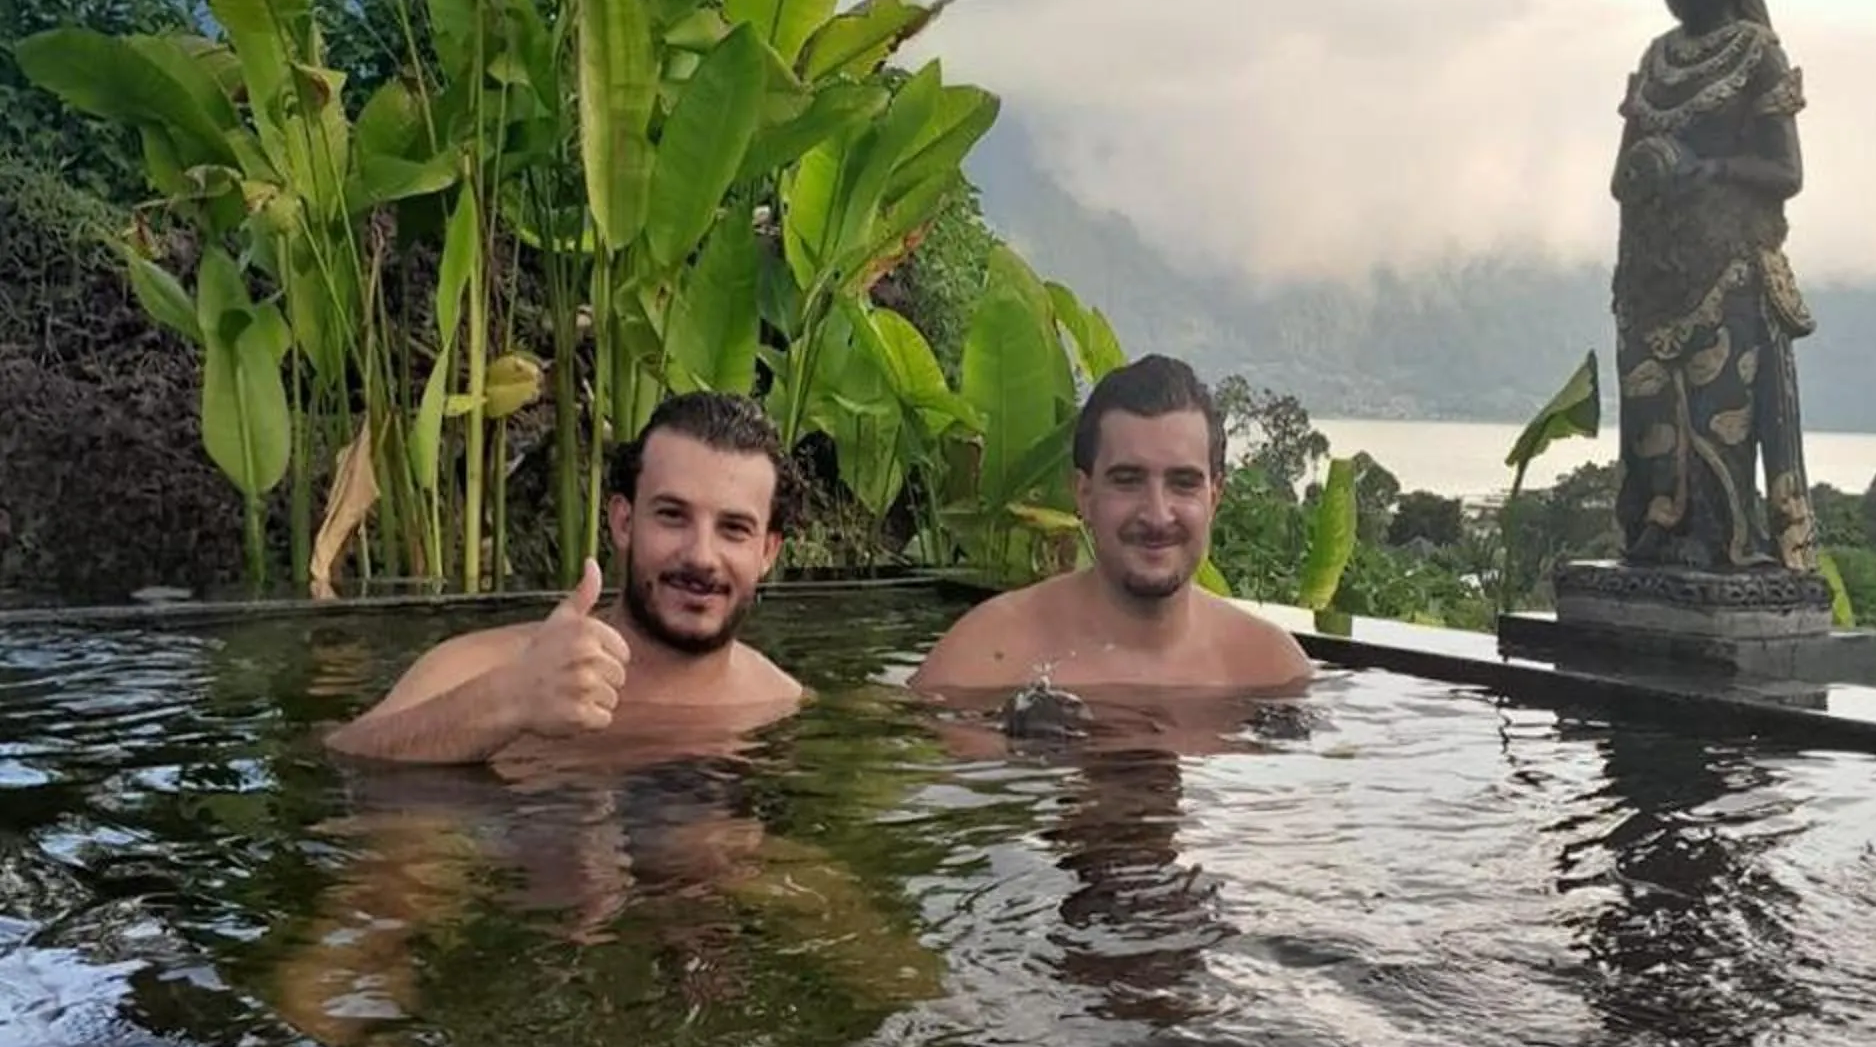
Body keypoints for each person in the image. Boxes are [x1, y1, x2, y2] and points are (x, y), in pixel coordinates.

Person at [327, 391, 803, 766]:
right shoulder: (483, 668)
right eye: (672, 516)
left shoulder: (780, 701)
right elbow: (346, 758)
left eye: (733, 529)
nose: (701, 556)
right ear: (623, 522)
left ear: (767, 551)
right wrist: (512, 699)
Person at [1610, 0, 1816, 573]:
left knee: (1716, 419)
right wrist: (1652, 171)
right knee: (1649, 424)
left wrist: (1710, 171)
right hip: (1649, 279)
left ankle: (1721, 542)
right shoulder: (1656, 57)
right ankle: (1654, 535)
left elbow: (1786, 172)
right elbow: (1620, 177)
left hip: (1725, 276)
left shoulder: (1756, 55)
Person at [908, 354, 1311, 706]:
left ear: (1214, 497)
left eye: (1183, 483)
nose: (1157, 515)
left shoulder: (1272, 671)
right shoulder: (985, 660)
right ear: (1084, 495)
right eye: (1127, 480)